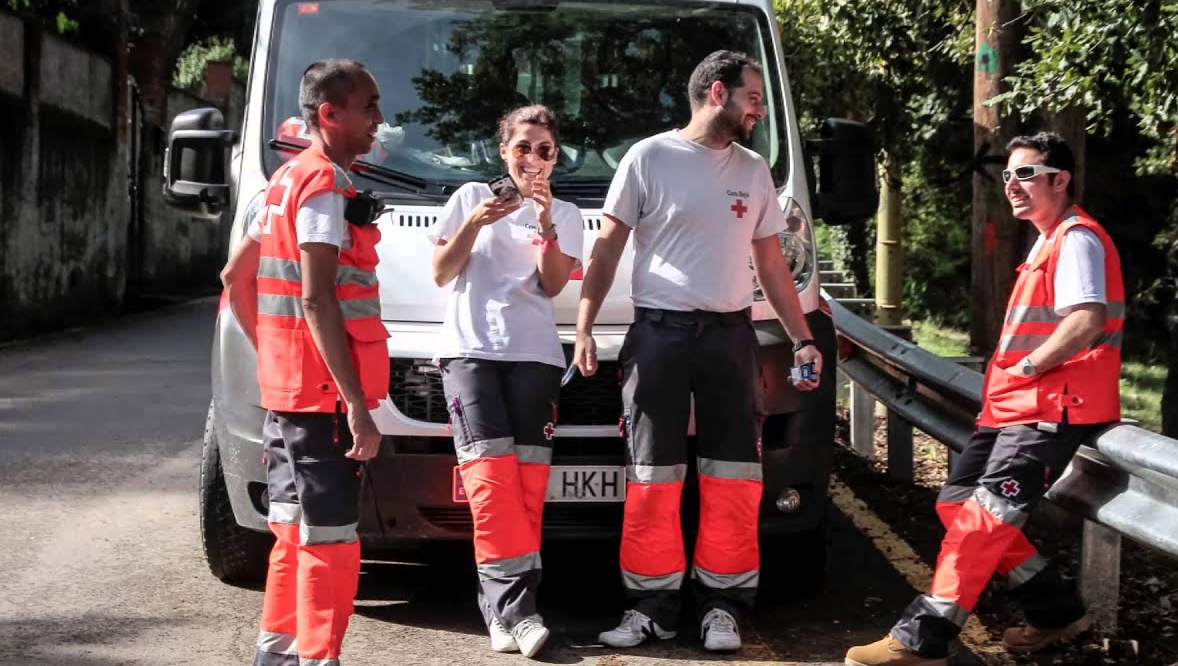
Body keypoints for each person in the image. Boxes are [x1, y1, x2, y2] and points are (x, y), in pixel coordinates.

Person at [573, 50, 824, 653]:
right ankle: (651, 608)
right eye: (752, 98)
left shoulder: (754, 169)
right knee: (652, 474)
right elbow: (607, 248)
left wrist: (802, 337)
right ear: (717, 93)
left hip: (730, 336)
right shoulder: (648, 158)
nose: (758, 111)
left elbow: (771, 263)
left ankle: (723, 607)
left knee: (734, 475)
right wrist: (584, 327)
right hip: (658, 335)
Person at [844, 132, 1125, 666]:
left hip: (1050, 407)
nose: (1012, 184)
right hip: (1015, 408)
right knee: (957, 504)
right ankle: (1055, 610)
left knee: (982, 520)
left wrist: (1029, 366)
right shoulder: (1047, 240)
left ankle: (922, 640)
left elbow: (1086, 321)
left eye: (1026, 174)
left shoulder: (1077, 239)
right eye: (1008, 174)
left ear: (1060, 180)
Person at [220, 58, 389, 666]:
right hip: (323, 400)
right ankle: (318, 658)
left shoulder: (284, 179)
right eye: (368, 107)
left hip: (288, 394)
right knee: (331, 539)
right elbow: (317, 298)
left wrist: (275, 354)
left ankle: (279, 655)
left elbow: (235, 277)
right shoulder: (323, 187)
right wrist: (356, 405)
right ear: (330, 114)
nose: (379, 119)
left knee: (292, 532)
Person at [427, 105, 584, 659]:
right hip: (471, 354)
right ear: (503, 152)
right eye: (522, 148)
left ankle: (499, 610)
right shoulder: (470, 197)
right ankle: (519, 613)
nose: (532, 159)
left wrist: (544, 222)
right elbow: (441, 273)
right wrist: (476, 222)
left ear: (555, 157)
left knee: (526, 490)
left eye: (544, 150)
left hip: (535, 357)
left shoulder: (566, 213)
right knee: (490, 485)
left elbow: (553, 284)